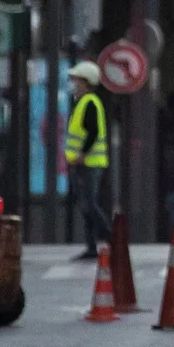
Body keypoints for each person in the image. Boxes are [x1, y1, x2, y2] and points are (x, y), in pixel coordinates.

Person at [64, 61, 110, 260]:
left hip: (89, 164)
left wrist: (82, 154)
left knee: (90, 204)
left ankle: (111, 237)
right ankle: (92, 247)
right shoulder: (82, 102)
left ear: (85, 82)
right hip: (82, 164)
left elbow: (93, 132)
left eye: (75, 80)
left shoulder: (89, 102)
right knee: (85, 206)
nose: (72, 83)